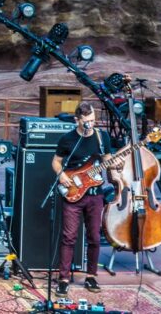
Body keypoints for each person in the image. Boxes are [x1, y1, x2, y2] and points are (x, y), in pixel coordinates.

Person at [52, 102, 114, 295]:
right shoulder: (68, 139)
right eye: (86, 122)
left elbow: (107, 160)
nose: (90, 125)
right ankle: (63, 278)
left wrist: (116, 167)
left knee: (94, 237)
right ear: (77, 120)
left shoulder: (101, 137)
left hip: (95, 195)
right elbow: (56, 161)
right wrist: (61, 174)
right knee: (69, 237)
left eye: (93, 121)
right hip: (73, 193)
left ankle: (91, 277)